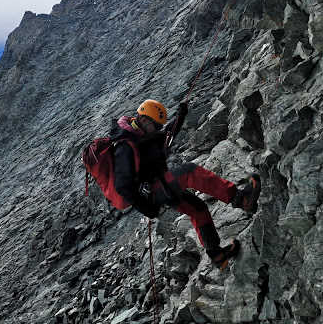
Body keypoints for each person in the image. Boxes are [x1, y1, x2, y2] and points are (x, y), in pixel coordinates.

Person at [110, 99, 261, 269]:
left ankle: (217, 255)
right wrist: (148, 208)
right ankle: (242, 199)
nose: (158, 128)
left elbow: (166, 134)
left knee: (197, 208)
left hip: (157, 184)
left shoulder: (139, 134)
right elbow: (122, 185)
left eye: (159, 126)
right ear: (144, 120)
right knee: (189, 172)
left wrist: (180, 117)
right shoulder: (125, 146)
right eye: (156, 125)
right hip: (152, 192)